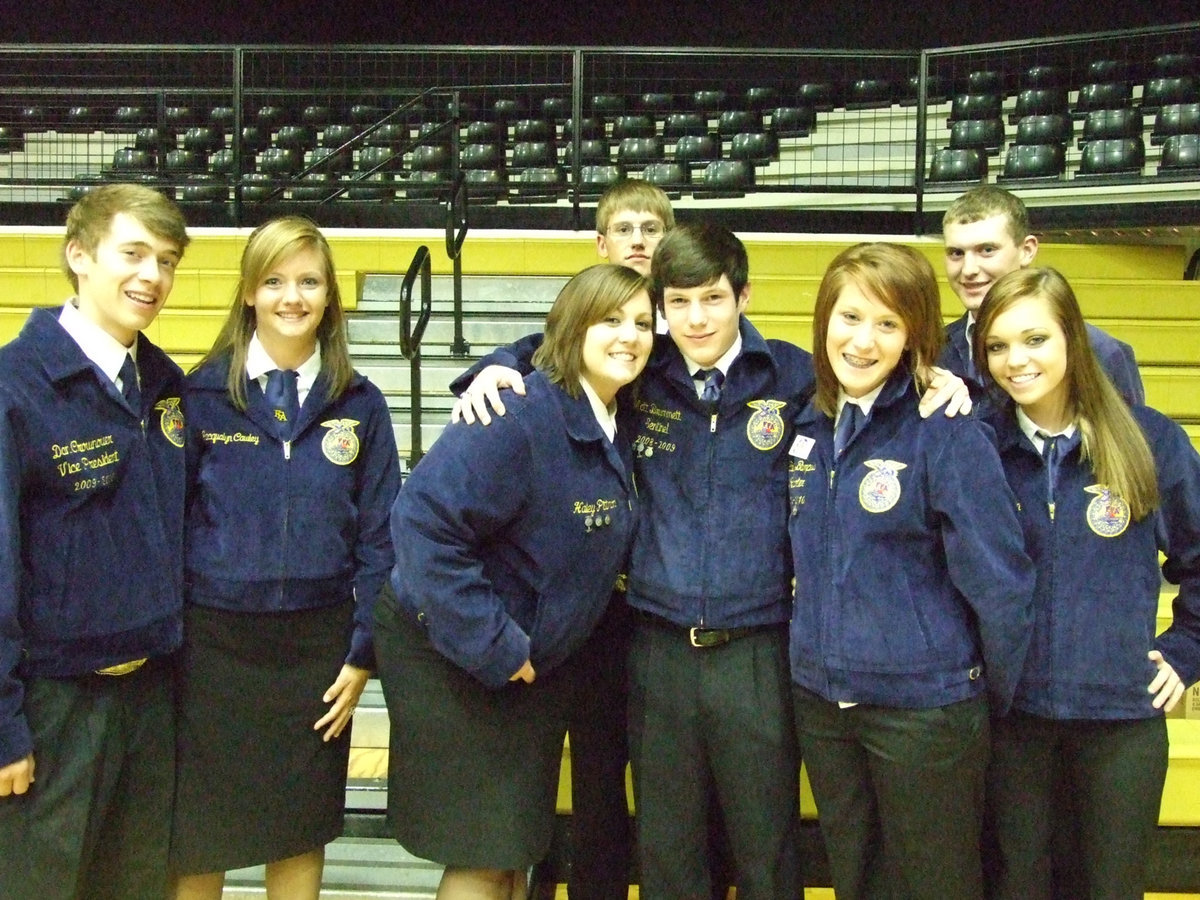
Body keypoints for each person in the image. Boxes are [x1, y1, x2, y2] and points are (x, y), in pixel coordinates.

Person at [375, 263, 652, 900]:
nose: (630, 336)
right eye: (611, 319)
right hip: (458, 655)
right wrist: (496, 645)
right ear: (575, 327)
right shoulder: (519, 413)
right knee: (483, 851)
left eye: (642, 324)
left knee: (513, 849)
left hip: (530, 665)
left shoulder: (617, 414)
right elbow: (421, 523)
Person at [787, 242, 1035, 900]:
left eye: (887, 324)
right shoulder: (804, 422)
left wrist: (976, 696)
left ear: (914, 337)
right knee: (856, 879)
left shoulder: (945, 429)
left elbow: (1002, 586)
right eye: (849, 317)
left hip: (925, 711)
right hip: (824, 703)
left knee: (936, 885)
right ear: (824, 319)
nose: (862, 341)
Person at [170, 217, 400, 900]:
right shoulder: (200, 395)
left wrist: (363, 652)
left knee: (299, 827)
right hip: (211, 644)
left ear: (329, 296)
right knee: (199, 830)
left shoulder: (361, 404)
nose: (291, 297)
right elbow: (169, 525)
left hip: (318, 650)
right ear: (247, 292)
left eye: (308, 281)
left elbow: (381, 539)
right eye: (273, 281)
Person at [973, 267, 1200, 900]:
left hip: (1119, 722)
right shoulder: (977, 445)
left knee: (1110, 887)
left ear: (1072, 337)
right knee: (1017, 884)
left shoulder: (1149, 440)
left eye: (1035, 339)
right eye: (997, 346)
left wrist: (1186, 651)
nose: (1016, 361)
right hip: (1012, 723)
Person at [0, 183, 190, 899]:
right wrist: (3, 725)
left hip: (149, 699)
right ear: (79, 255)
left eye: (166, 261)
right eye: (133, 254)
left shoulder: (163, 383)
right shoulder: (16, 387)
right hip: (53, 704)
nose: (152, 277)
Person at [939, 186, 1144, 409]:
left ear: (1027, 250)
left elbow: (1123, 430)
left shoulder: (1100, 351)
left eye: (987, 250)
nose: (968, 269)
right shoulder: (933, 350)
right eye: (956, 253)